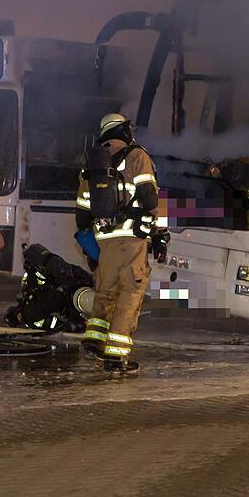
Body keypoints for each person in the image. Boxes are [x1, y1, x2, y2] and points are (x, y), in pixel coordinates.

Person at [75, 113, 167, 372]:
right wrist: (158, 234)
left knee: (106, 289)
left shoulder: (91, 167)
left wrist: (94, 244)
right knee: (130, 293)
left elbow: (81, 215)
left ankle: (94, 339)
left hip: (104, 240)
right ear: (124, 130)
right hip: (132, 238)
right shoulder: (138, 156)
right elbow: (150, 199)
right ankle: (116, 357)